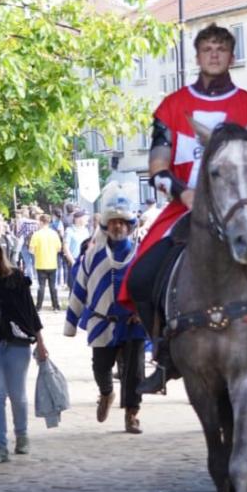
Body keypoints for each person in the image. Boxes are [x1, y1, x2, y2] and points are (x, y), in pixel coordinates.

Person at [125, 22, 247, 392]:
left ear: (231, 56)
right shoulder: (172, 107)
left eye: (221, 48)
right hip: (187, 207)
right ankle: (163, 355)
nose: (214, 54)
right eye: (207, 49)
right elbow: (157, 167)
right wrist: (183, 194)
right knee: (141, 276)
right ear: (197, 56)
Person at [64, 184, 147, 434]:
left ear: (129, 226)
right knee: (100, 368)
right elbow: (80, 288)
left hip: (133, 323)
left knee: (134, 373)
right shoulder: (93, 255)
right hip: (102, 322)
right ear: (107, 226)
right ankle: (106, 393)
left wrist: (143, 312)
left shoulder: (140, 254)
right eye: (114, 223)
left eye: (122, 222)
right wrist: (71, 323)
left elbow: (148, 288)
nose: (118, 227)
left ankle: (132, 415)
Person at [0, 231, 48, 463]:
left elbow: (30, 311)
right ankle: (0, 446)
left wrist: (41, 341)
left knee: (17, 394)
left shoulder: (16, 277)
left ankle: (22, 435)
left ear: (1, 249)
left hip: (18, 343)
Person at [29, 212, 63, 311]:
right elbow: (59, 248)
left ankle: (38, 307)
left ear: (40, 222)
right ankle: (56, 306)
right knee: (53, 286)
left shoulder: (36, 234)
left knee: (41, 287)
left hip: (40, 263)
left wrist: (37, 252)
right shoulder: (54, 234)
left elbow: (31, 250)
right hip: (52, 263)